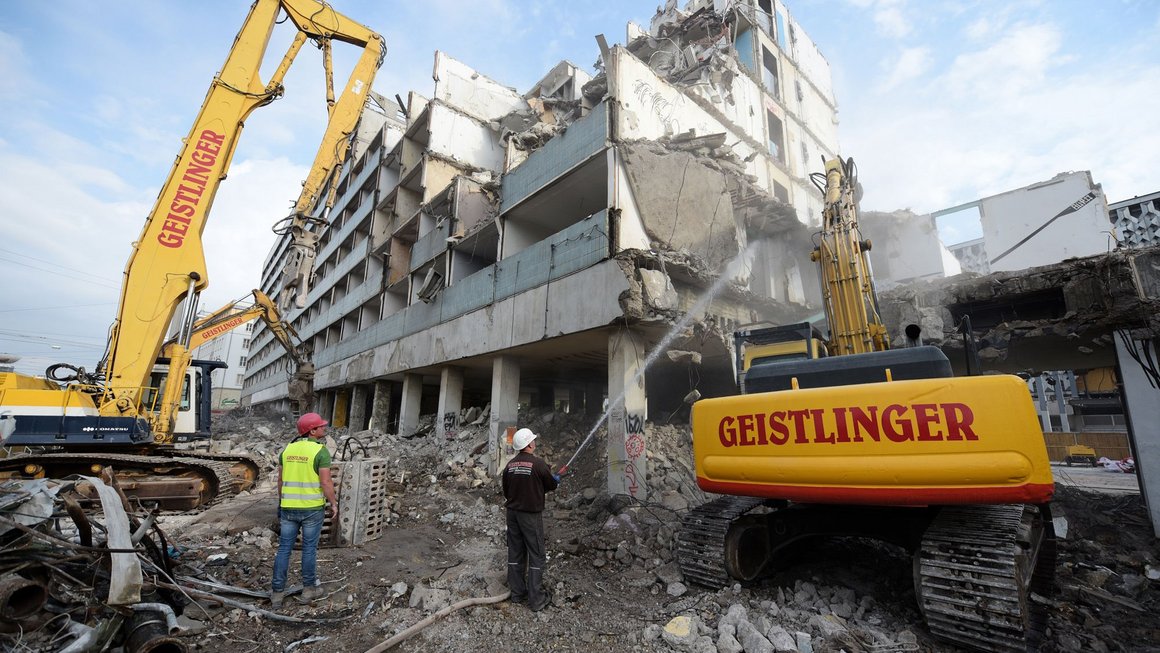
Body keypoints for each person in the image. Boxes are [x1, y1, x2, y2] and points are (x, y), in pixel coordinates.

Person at [270, 413, 338, 609]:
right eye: (321, 426)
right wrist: (333, 503)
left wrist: (282, 502)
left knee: (284, 549)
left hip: (288, 508)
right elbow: (325, 482)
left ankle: (277, 593)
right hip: (311, 509)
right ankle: (309, 589)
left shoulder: (287, 450)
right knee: (309, 549)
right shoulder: (320, 451)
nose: (324, 429)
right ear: (312, 430)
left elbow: (280, 480)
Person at [502, 427, 559, 611]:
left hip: (512, 514)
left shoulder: (509, 466)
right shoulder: (538, 464)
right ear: (529, 444)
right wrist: (554, 479)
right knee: (536, 555)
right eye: (533, 440)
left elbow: (506, 490)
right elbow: (551, 485)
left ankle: (517, 593)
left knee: (516, 552)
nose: (535, 442)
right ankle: (536, 600)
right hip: (529, 515)